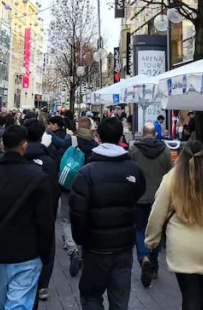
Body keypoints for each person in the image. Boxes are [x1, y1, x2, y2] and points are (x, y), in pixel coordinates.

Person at [0, 124, 55, 310]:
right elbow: (45, 222)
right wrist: (45, 253)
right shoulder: (38, 178)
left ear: (2, 146)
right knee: (19, 304)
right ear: (24, 146)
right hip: (27, 252)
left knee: (0, 303)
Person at [145, 140, 203, 310]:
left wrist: (151, 240)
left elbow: (158, 213)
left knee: (189, 292)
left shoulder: (171, 180)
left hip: (181, 245)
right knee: (200, 288)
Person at [69, 117, 146, 310]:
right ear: (121, 137)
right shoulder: (133, 170)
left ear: (98, 136)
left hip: (95, 248)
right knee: (119, 298)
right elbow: (139, 194)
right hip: (123, 247)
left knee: (91, 295)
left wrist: (81, 240)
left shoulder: (86, 173)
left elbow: (77, 213)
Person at [129, 122, 174, 287]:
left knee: (140, 229)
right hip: (159, 199)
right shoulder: (165, 151)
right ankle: (153, 267)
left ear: (142, 133)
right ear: (155, 134)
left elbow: (128, 170)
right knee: (156, 231)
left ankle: (143, 257)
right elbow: (171, 173)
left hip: (139, 197)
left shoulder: (134, 149)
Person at [24, 120, 61, 304]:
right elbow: (54, 189)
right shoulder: (49, 160)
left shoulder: (19, 156)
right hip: (44, 211)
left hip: (21, 213)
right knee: (47, 245)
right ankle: (43, 285)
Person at [61, 116, 100, 277]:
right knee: (86, 217)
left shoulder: (69, 141)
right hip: (87, 188)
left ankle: (72, 249)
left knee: (66, 219)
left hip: (68, 186)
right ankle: (83, 250)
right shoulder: (95, 145)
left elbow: (60, 160)